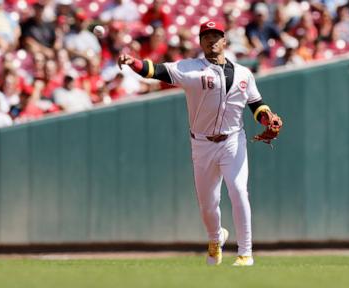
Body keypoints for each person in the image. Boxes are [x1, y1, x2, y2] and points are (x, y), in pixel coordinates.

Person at [118, 20, 283, 266]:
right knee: (208, 205)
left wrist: (266, 117)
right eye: (206, 35)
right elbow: (157, 70)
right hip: (202, 144)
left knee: (238, 191)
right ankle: (216, 239)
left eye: (216, 35)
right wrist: (135, 63)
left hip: (232, 141)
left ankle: (245, 253)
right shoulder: (190, 68)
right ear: (200, 41)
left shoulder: (244, 73)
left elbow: (256, 105)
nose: (211, 39)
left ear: (224, 40)